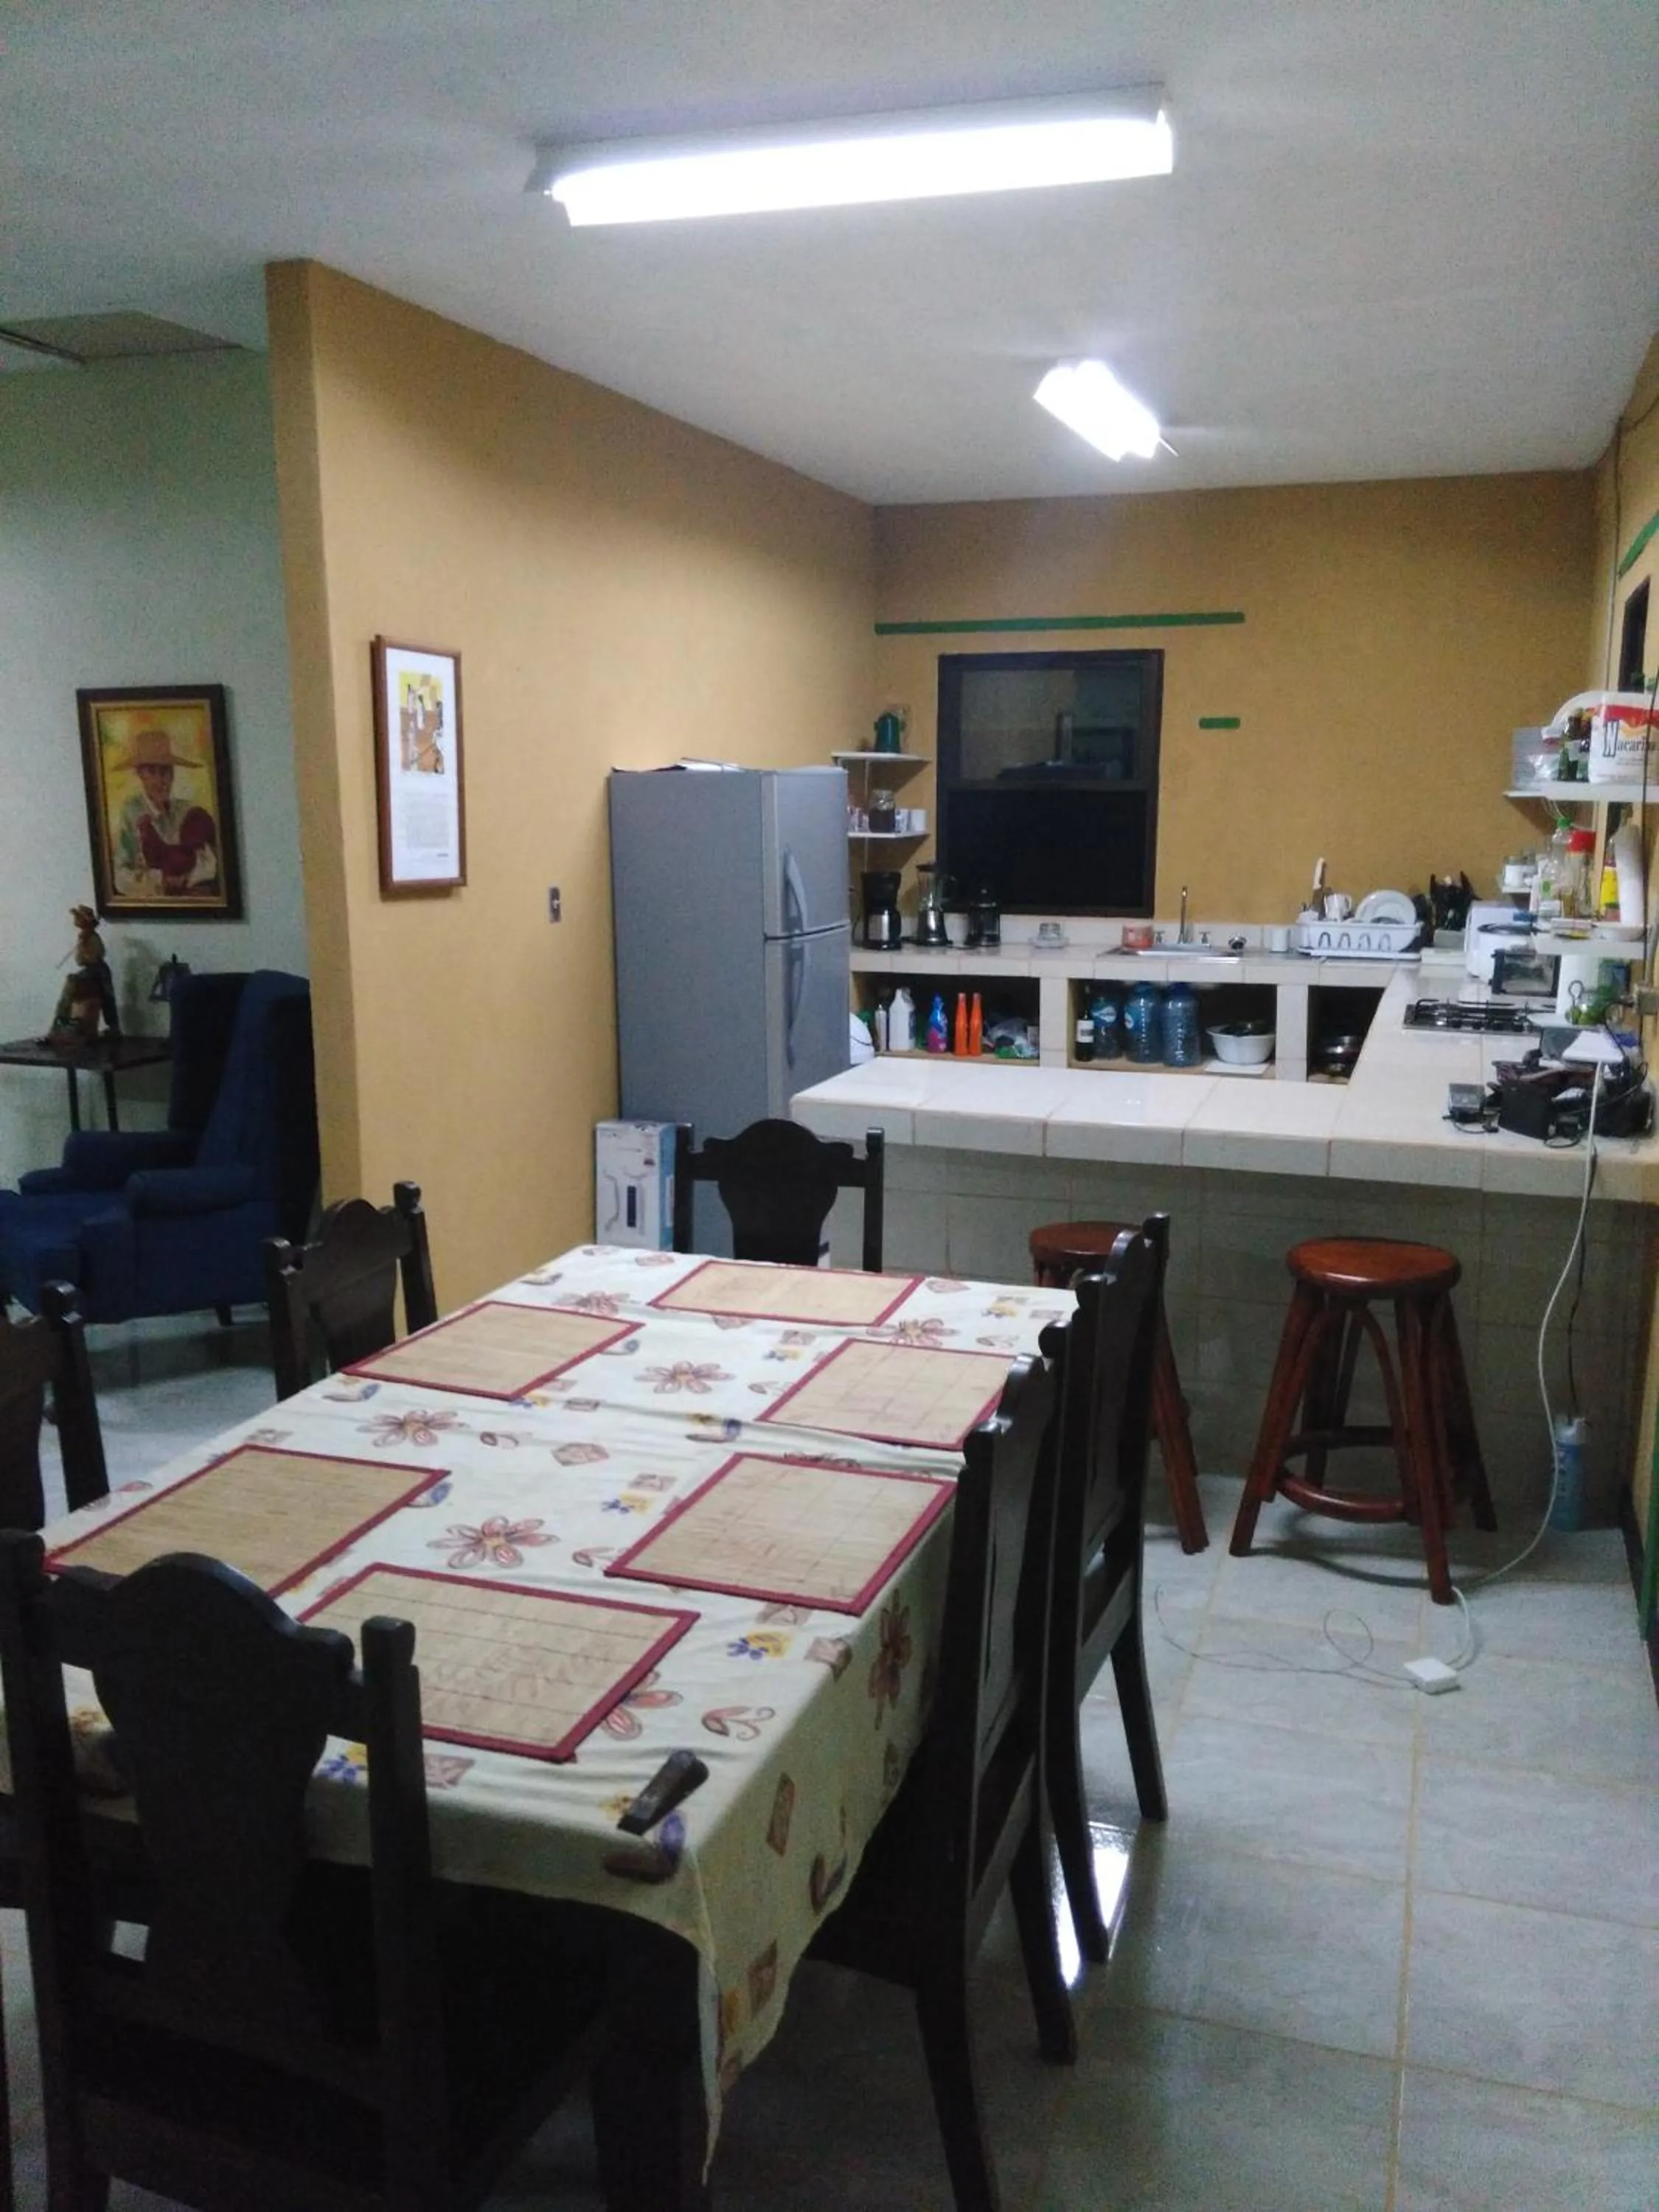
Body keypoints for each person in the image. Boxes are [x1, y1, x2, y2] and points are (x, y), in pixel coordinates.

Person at [111, 728, 219, 897]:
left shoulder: (186, 810)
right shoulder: (131, 812)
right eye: (152, 772)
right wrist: (160, 880)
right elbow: (121, 877)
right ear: (140, 774)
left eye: (166, 771)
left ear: (173, 773)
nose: (161, 780)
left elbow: (210, 862)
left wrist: (188, 878)